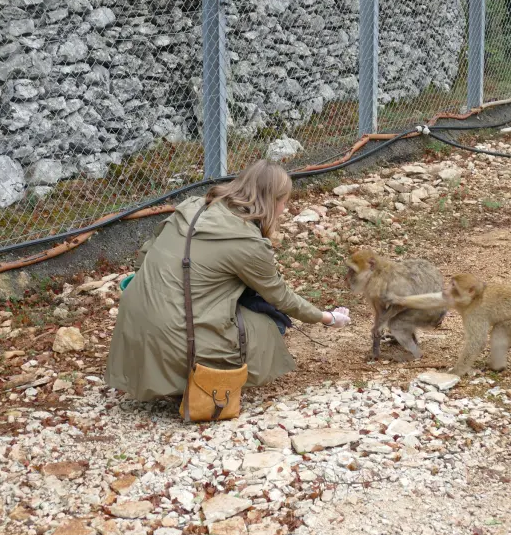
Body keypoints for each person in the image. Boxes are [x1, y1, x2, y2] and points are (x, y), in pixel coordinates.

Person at [105, 160, 351, 401]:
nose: (284, 209)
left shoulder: (194, 206)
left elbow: (145, 254)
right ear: (272, 201)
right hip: (174, 334)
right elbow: (280, 296)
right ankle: (195, 379)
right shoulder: (246, 242)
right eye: (284, 202)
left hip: (133, 323)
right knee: (271, 322)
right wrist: (327, 318)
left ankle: (168, 371)